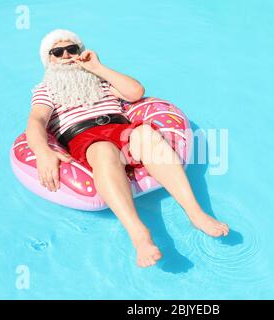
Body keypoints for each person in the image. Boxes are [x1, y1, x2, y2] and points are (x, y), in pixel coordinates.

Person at [26, 29, 229, 268]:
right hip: (83, 136)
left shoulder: (98, 80)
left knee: (145, 133)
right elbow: (37, 120)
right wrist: (43, 152)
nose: (67, 55)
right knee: (102, 151)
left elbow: (136, 92)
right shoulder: (46, 89)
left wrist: (98, 68)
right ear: (49, 60)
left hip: (119, 127)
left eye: (72, 49)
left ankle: (196, 213)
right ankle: (140, 235)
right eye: (58, 52)